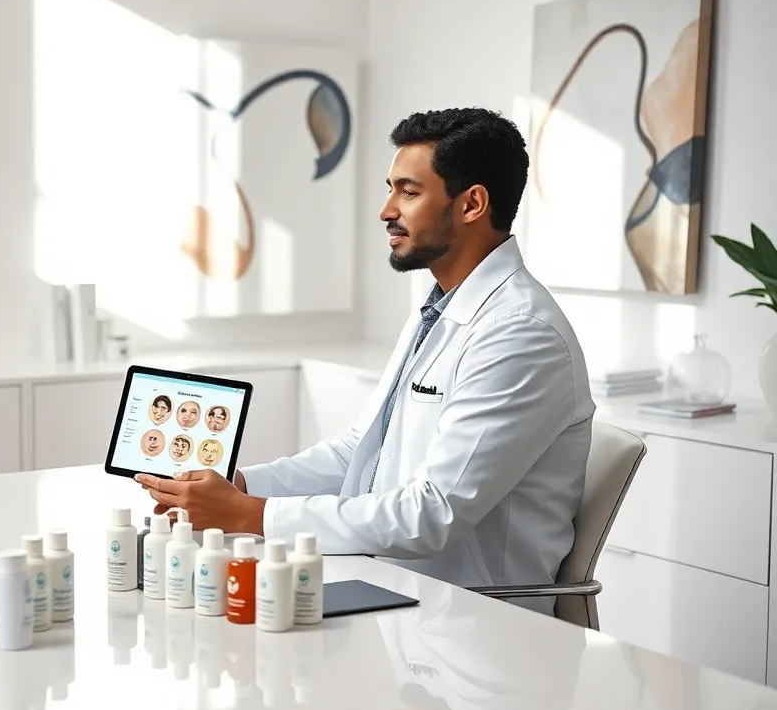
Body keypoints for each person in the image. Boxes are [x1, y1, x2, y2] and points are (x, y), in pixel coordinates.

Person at [136, 108, 594, 612]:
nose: (386, 210)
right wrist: (243, 486)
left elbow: (434, 512)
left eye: (408, 191)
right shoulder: (440, 309)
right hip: (389, 586)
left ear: (472, 204)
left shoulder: (519, 333)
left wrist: (252, 515)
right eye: (390, 188)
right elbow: (362, 450)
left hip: (474, 619)